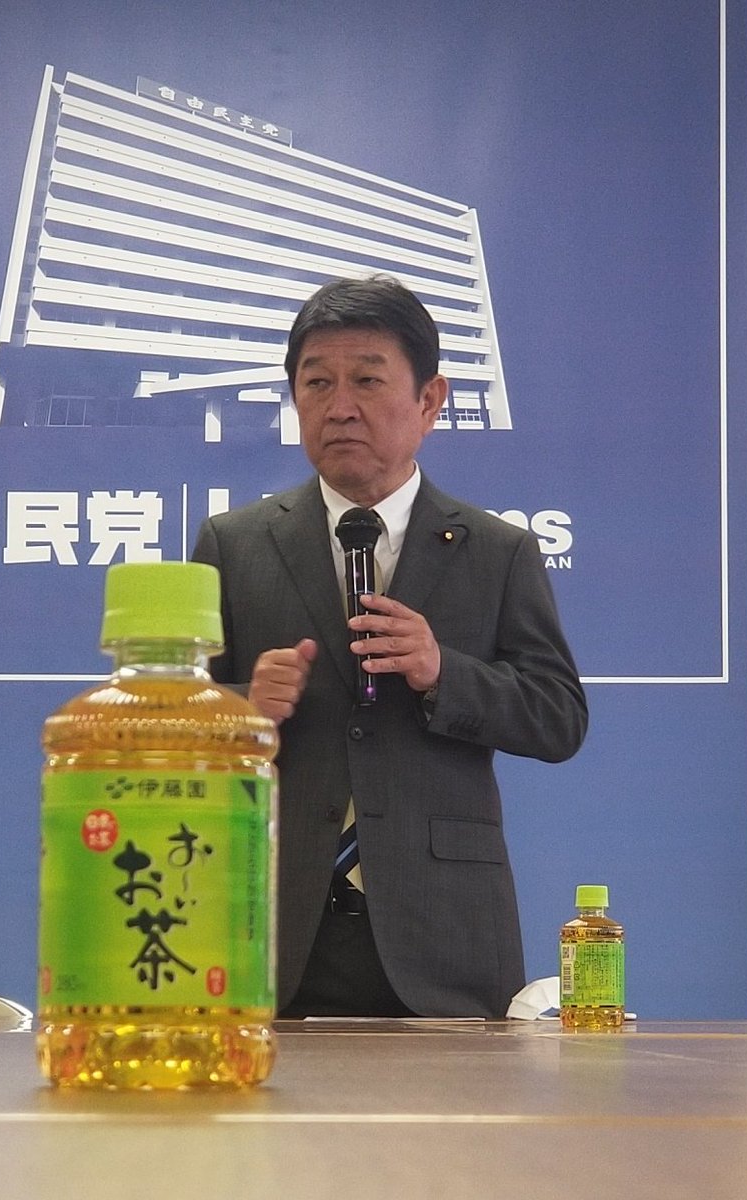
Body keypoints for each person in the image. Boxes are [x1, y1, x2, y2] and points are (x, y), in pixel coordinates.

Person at [192, 275, 587, 1018]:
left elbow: (558, 717)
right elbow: (173, 725)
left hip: (445, 931)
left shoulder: (497, 550)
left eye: (368, 380)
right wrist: (243, 706)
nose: (340, 406)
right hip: (271, 925)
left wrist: (442, 673)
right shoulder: (234, 544)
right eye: (317, 383)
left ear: (430, 400)